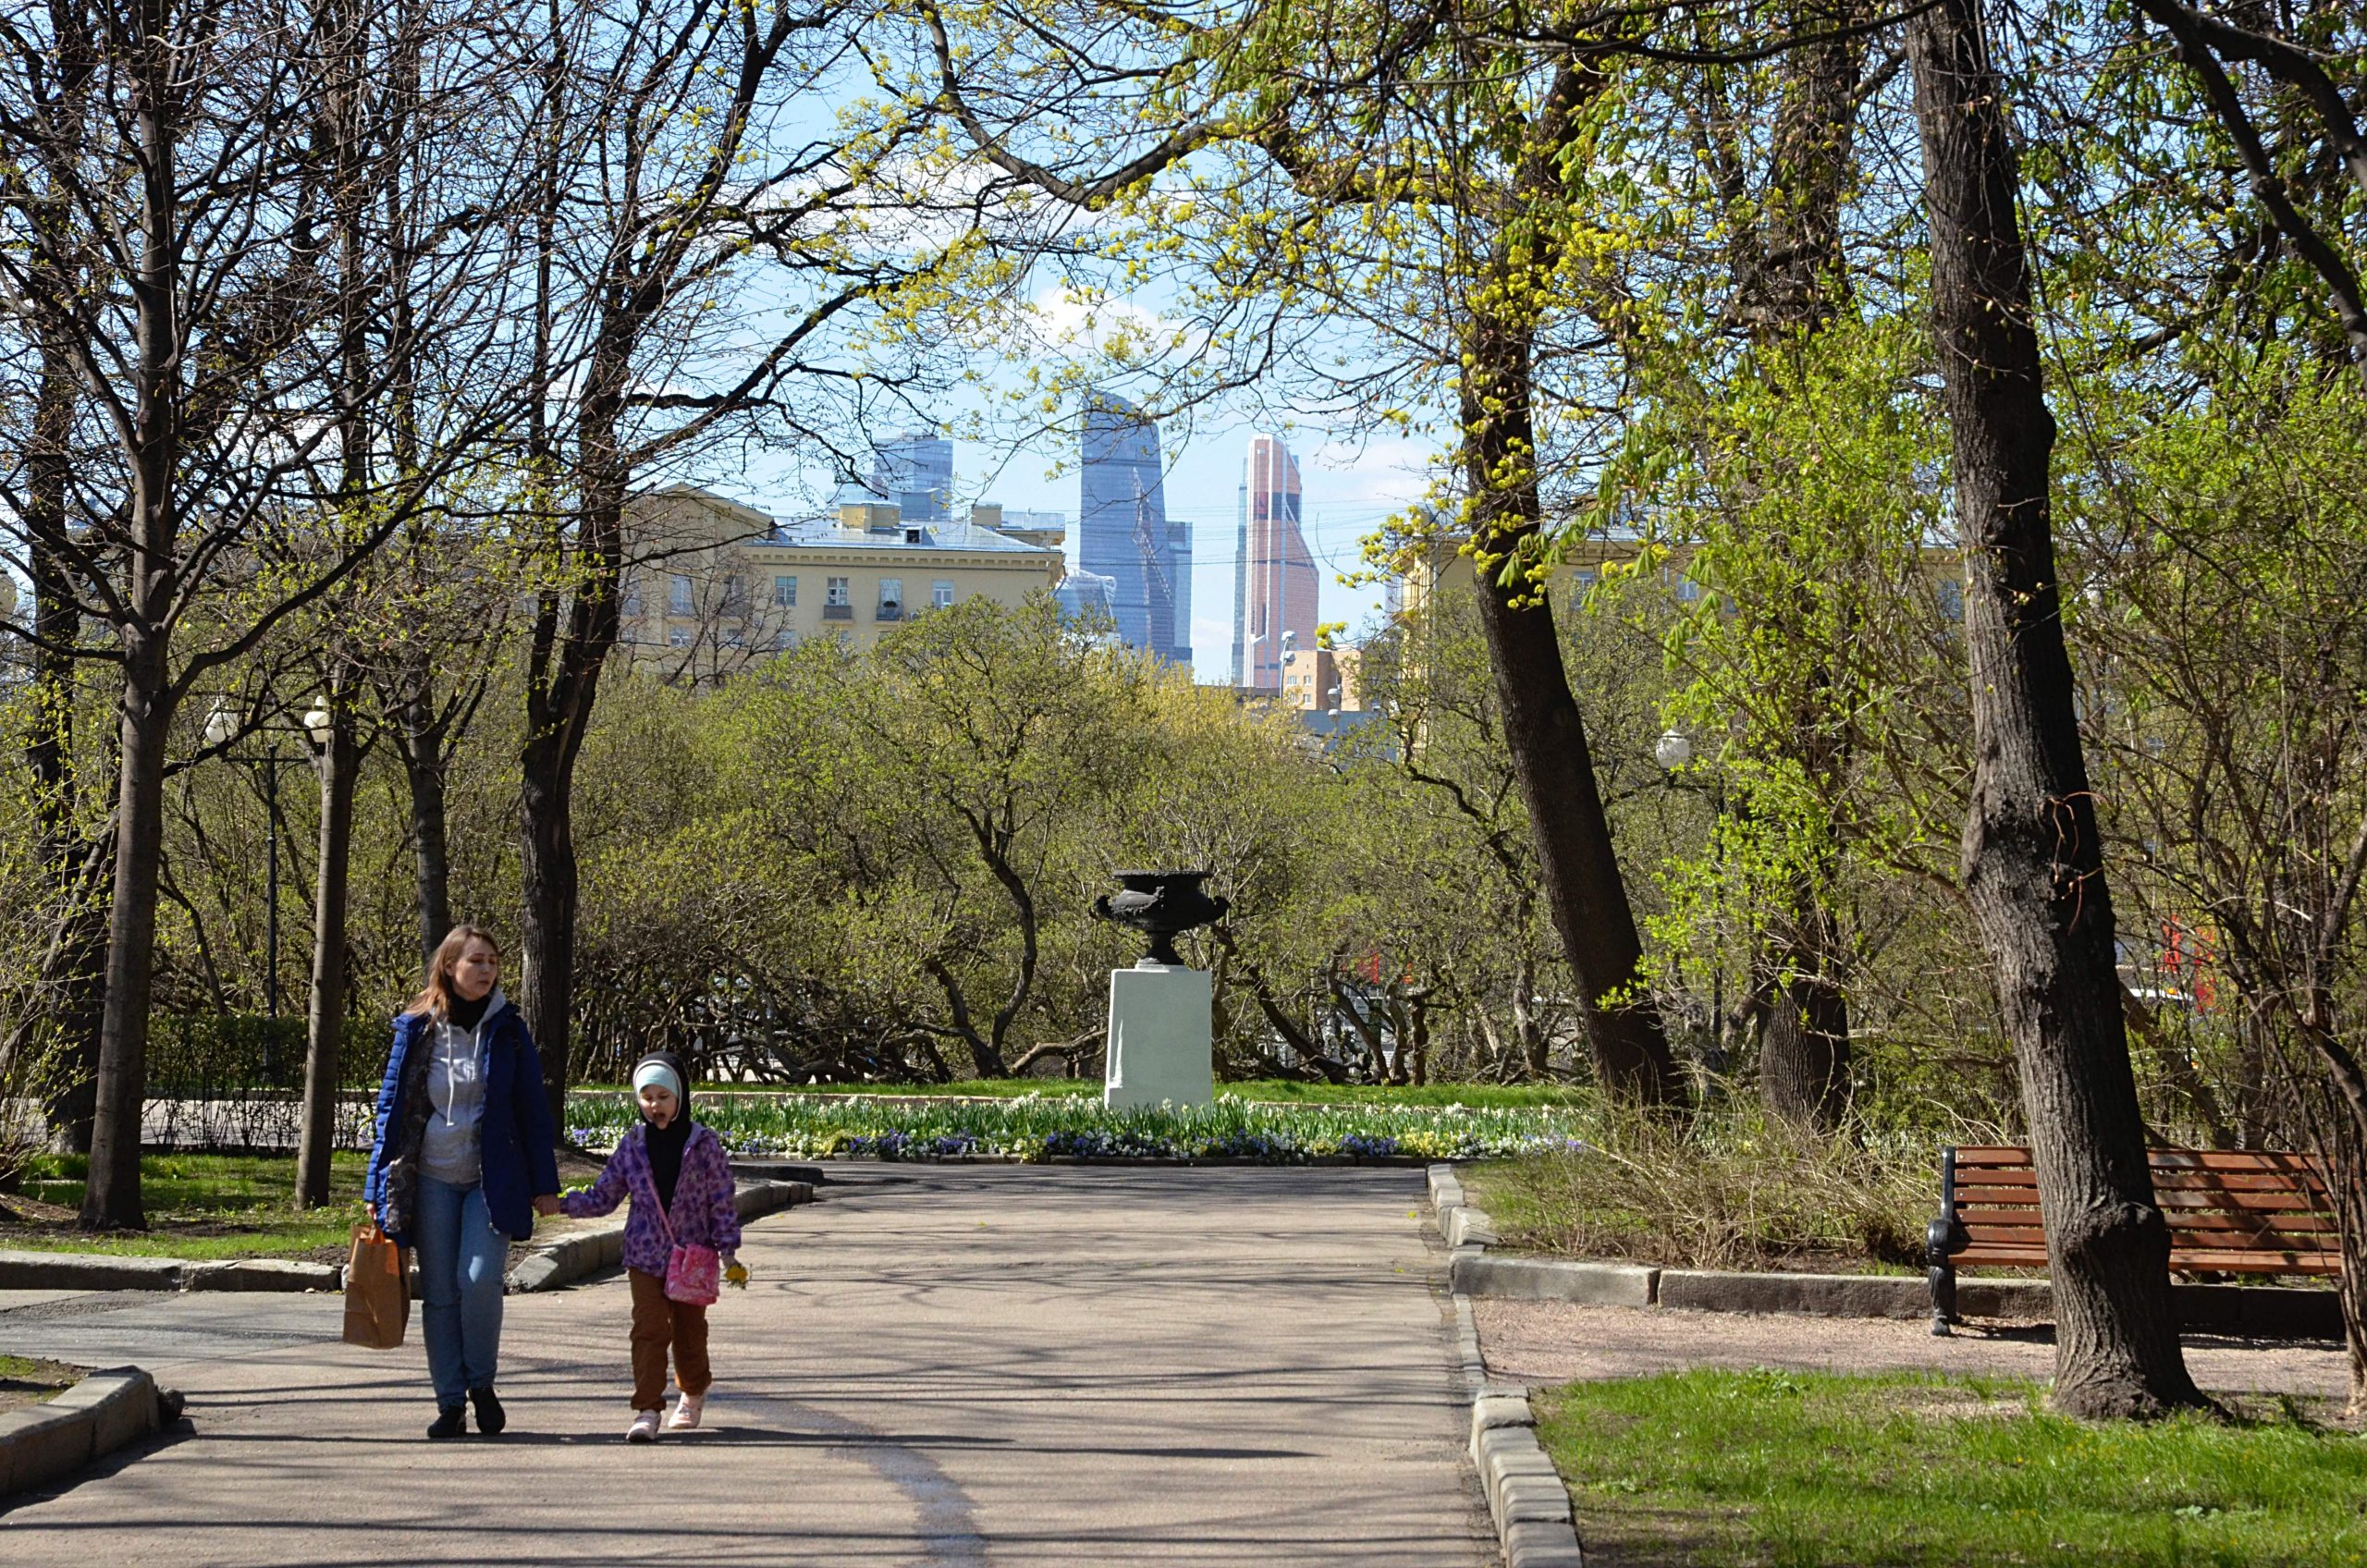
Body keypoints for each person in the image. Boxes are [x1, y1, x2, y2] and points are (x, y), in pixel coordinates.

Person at [363, 925, 562, 1439]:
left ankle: (482, 1384)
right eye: (476, 961)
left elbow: (533, 1113)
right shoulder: (416, 1029)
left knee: (478, 1282)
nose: (487, 970)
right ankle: (450, 1402)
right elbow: (391, 1111)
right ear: (449, 966)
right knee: (441, 1292)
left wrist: (545, 1185)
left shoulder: (509, 1029)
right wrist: (373, 1190)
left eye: (493, 962)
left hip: (488, 1180)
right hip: (429, 1177)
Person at [559, 1051, 745, 1441]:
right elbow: (604, 1196)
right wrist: (558, 1203)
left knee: (689, 1332)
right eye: (647, 1097)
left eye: (663, 1096)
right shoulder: (633, 1145)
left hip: (692, 1255)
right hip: (644, 1255)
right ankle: (647, 1408)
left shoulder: (704, 1145)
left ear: (679, 1096)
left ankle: (693, 1390)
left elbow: (722, 1199)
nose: (654, 1106)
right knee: (648, 1328)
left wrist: (729, 1251)